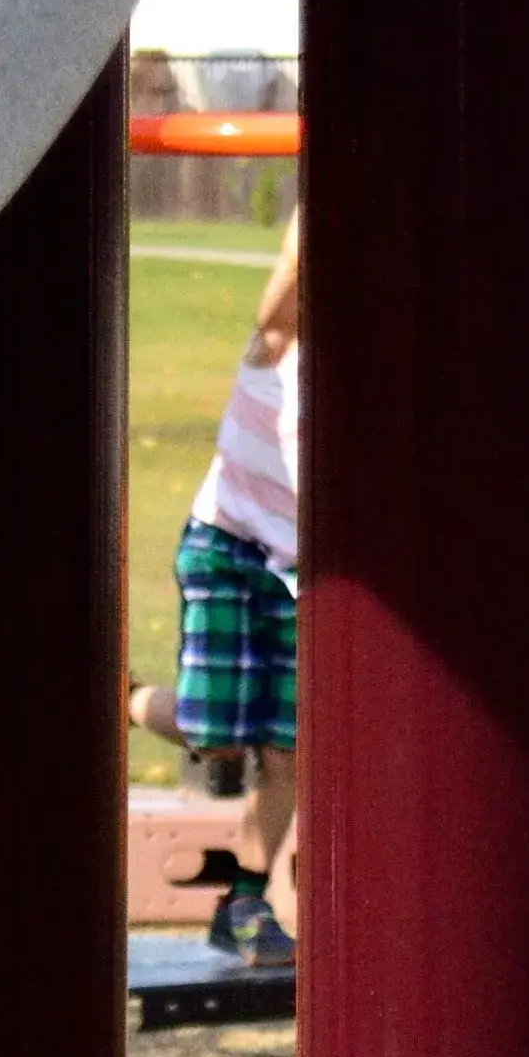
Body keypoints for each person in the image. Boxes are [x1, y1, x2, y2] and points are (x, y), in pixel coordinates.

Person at [161, 211, 307, 965]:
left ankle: (244, 901)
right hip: (228, 547)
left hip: (300, 571)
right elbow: (283, 286)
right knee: (214, 736)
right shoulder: (275, 346)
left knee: (288, 749)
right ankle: (117, 696)